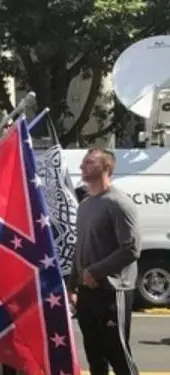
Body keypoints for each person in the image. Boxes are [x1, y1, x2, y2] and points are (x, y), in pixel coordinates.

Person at [68, 148, 140, 375]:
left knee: (117, 351)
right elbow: (80, 247)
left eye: (89, 162)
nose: (82, 167)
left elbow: (131, 248)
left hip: (112, 290)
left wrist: (96, 271)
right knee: (94, 353)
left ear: (106, 167)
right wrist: (73, 285)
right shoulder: (85, 206)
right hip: (87, 291)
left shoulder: (119, 203)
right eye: (83, 163)